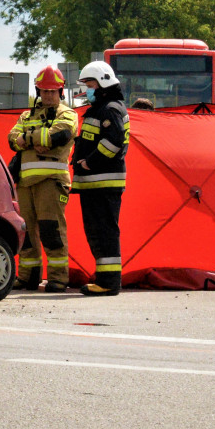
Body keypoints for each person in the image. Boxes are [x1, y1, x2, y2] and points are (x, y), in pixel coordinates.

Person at [8, 65, 77, 292]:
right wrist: (35, 139)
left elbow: (59, 136)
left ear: (61, 92)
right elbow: (11, 138)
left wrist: (26, 138)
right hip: (25, 183)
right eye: (44, 91)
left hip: (51, 181)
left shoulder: (67, 114)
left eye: (52, 91)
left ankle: (58, 278)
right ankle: (28, 277)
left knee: (51, 230)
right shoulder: (27, 115)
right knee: (26, 232)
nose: (48, 95)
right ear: (38, 91)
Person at [71, 61, 130, 296]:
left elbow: (114, 142)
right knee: (97, 232)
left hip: (103, 182)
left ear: (103, 83)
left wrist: (89, 162)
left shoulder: (110, 109)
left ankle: (109, 282)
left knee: (104, 232)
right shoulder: (101, 108)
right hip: (94, 184)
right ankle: (104, 278)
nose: (87, 89)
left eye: (90, 84)